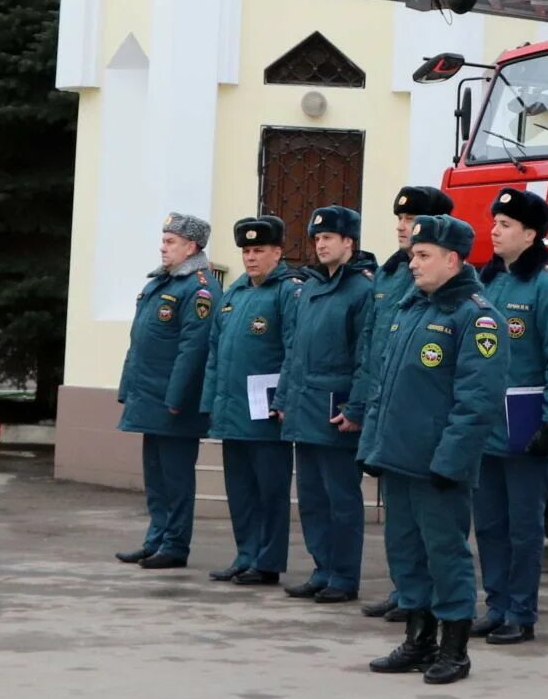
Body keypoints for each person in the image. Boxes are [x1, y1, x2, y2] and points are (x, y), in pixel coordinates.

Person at [360, 215, 505, 685]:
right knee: (405, 553)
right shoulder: (411, 309)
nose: (413, 262)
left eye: (423, 256)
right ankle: (418, 640)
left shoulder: (476, 317)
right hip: (398, 458)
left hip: (438, 466)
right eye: (412, 254)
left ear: (453, 259)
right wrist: (372, 447)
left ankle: (454, 649)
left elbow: (477, 402)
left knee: (445, 555)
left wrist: (451, 461)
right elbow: (384, 388)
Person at [472, 188, 548, 645]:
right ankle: (496, 604)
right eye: (494, 223)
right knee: (490, 524)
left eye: (504, 225)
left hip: (527, 425)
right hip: (485, 425)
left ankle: (521, 611)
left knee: (522, 526)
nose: (494, 231)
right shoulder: (488, 281)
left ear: (530, 233)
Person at [354, 185, 454, 621]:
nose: (401, 227)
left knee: (425, 517)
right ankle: (405, 588)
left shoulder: (445, 281)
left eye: (410, 220)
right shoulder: (392, 272)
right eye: (398, 219)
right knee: (396, 514)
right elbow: (371, 342)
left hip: (421, 409)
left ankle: (425, 596)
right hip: (385, 402)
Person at [273, 206, 376, 603]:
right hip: (304, 405)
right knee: (313, 498)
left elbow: (366, 356)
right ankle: (322, 568)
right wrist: (283, 397)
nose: (321, 245)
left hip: (336, 409)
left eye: (328, 238)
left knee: (341, 499)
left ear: (348, 242)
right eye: (317, 239)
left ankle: (344, 576)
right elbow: (294, 349)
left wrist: (356, 408)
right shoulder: (311, 287)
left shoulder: (363, 290)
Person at [200, 216, 302, 586]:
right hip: (232, 408)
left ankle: (268, 560)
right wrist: (210, 398)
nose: (251, 257)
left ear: (277, 252)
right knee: (240, 490)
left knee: (269, 490)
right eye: (246, 250)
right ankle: (245, 554)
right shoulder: (236, 294)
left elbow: (294, 349)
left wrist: (286, 398)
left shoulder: (288, 291)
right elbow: (215, 351)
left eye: (259, 250)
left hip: (267, 411)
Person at [114, 213, 217, 570]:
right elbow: (138, 342)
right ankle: (156, 538)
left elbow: (194, 348)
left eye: (170, 241)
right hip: (149, 397)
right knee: (156, 478)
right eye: (163, 239)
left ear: (191, 247)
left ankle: (175, 544)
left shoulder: (199, 288)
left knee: (176, 478)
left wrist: (176, 399)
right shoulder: (162, 283)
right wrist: (127, 386)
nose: (162, 246)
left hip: (173, 404)